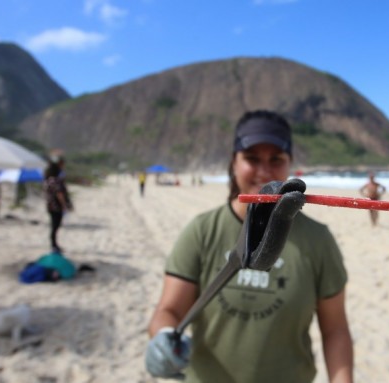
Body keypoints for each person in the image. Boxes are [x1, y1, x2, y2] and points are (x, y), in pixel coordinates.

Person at [146, 110, 353, 382]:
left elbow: (335, 329)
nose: (264, 171)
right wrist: (163, 336)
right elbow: (168, 310)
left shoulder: (318, 239)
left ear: (290, 164)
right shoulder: (202, 230)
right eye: (252, 159)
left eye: (276, 159)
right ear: (234, 162)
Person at [44, 154, 72, 253]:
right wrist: (64, 205)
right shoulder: (55, 180)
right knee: (55, 226)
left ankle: (54, 244)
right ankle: (54, 245)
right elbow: (59, 193)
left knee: (54, 225)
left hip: (50, 205)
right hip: (56, 206)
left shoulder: (48, 179)